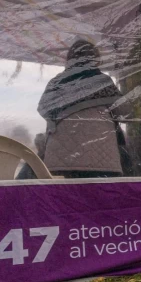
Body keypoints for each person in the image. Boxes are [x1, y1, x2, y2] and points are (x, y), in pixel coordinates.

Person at [37, 40, 124, 179]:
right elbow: (122, 111)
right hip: (102, 157)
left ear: (70, 58)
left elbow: (43, 108)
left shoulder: (56, 82)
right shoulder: (103, 81)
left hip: (61, 157)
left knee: (67, 197)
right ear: (95, 58)